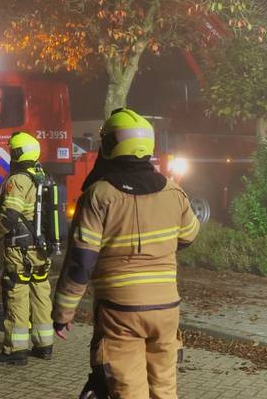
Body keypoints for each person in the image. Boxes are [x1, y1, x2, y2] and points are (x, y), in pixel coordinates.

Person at [52, 109, 200, 399]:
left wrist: (63, 312)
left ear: (109, 145)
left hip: (120, 311)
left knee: (129, 390)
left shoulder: (99, 195)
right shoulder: (174, 192)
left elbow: (81, 262)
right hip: (167, 308)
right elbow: (188, 236)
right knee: (164, 388)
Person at [0, 131, 55, 365]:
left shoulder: (18, 180)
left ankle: (15, 350)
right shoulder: (44, 177)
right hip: (41, 249)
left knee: (17, 295)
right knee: (41, 294)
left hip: (19, 250)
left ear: (17, 153)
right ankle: (44, 345)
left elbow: (10, 216)